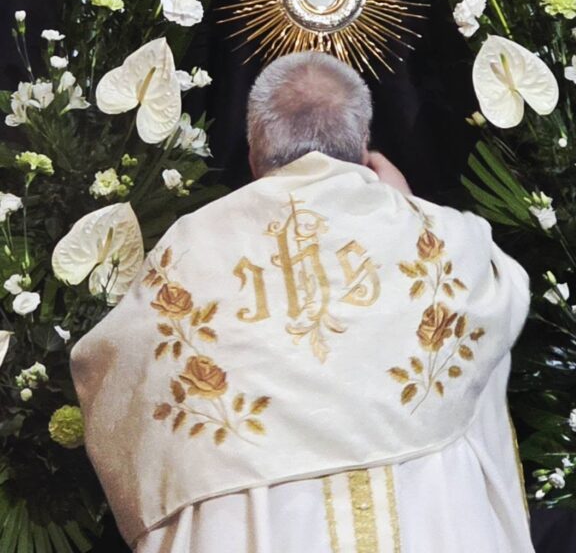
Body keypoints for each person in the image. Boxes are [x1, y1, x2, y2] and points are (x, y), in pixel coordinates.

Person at [71, 52, 534, 553]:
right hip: (427, 516)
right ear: (363, 144)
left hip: (255, 526)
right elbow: (506, 291)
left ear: (254, 151)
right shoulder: (440, 236)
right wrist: (411, 208)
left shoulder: (190, 247)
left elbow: (109, 366)